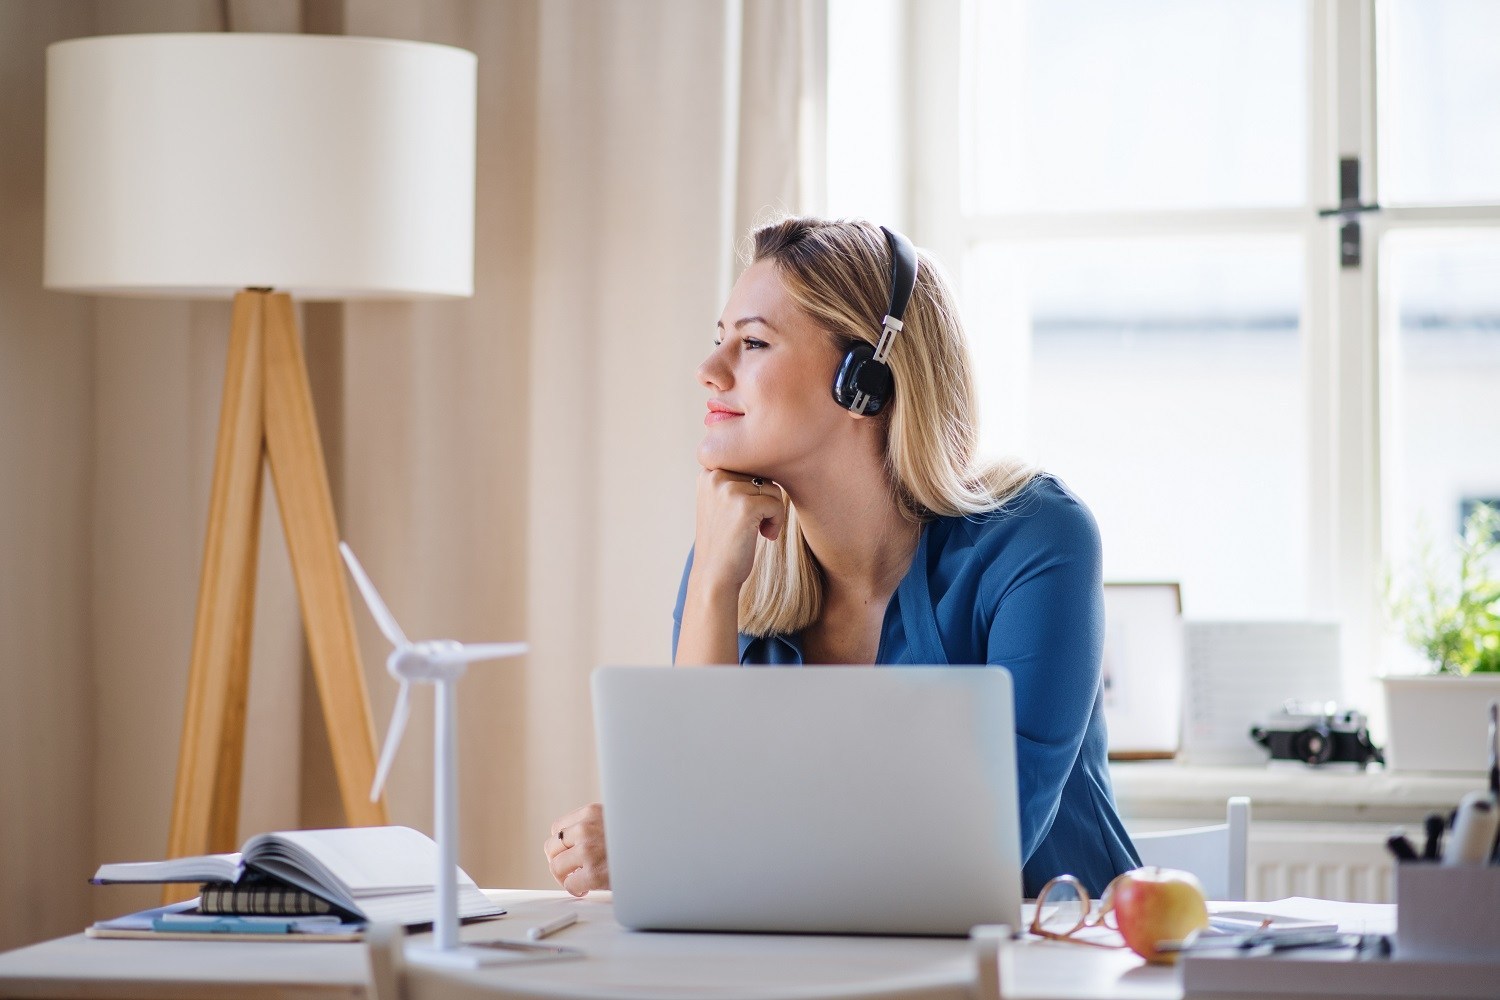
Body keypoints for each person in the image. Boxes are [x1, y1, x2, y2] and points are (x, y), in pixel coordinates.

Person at [545, 217, 1139, 898]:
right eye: (719, 342)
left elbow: (980, 851)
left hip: (1048, 965)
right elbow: (686, 852)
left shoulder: (1036, 540)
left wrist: (677, 841)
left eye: (754, 343)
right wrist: (711, 586)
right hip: (824, 968)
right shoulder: (731, 559)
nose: (709, 372)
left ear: (865, 380)